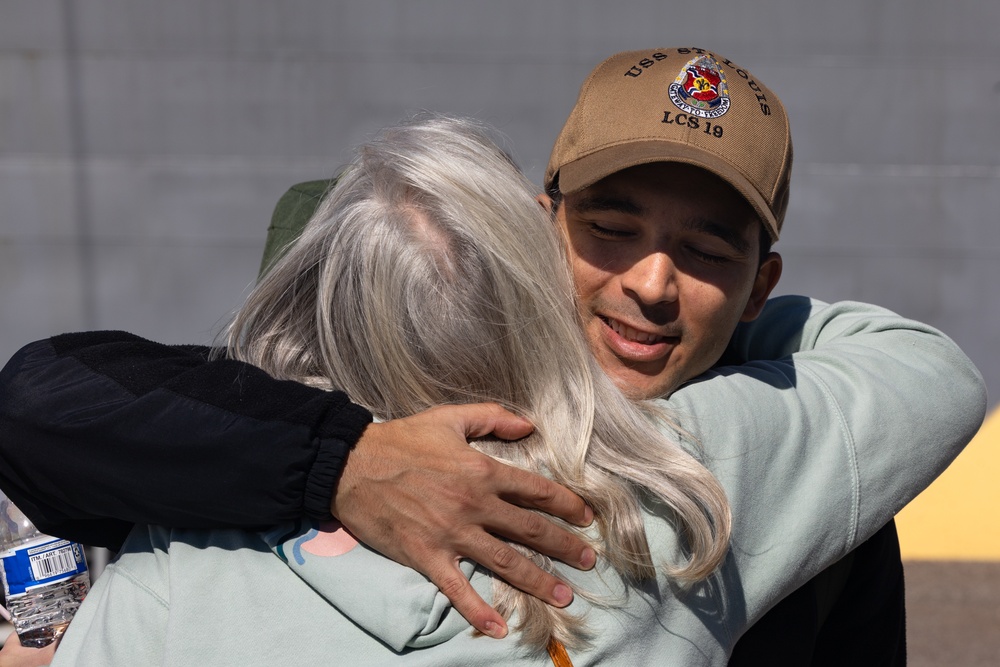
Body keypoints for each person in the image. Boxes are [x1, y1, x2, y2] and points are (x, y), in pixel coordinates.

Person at [0, 47, 986, 662]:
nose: (650, 281)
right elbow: (43, 398)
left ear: (757, 287)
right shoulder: (730, 463)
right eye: (610, 228)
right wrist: (345, 461)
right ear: (535, 227)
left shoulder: (183, 565)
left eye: (704, 253)